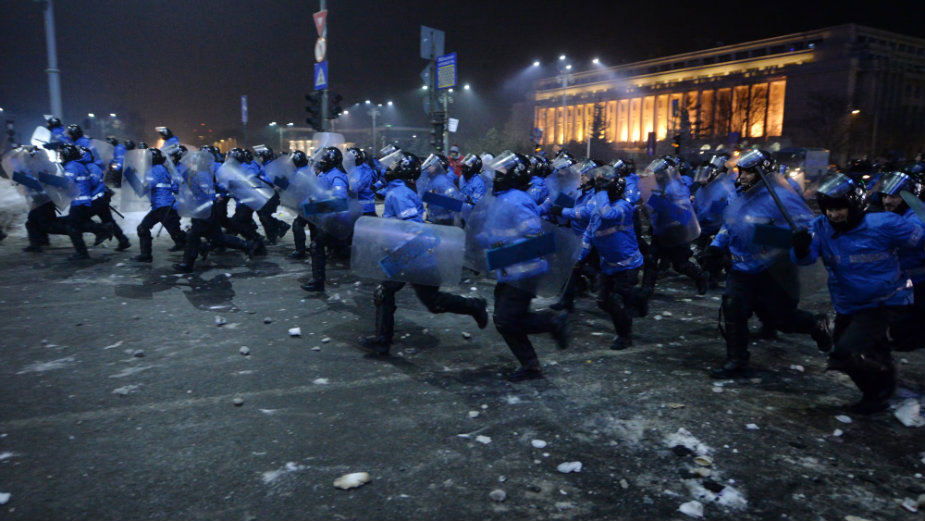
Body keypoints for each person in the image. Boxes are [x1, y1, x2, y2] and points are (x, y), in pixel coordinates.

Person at [792, 172, 922, 413]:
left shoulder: (885, 224)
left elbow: (919, 240)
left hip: (884, 301)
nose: (833, 214)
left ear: (855, 204)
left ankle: (882, 384)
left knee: (844, 353)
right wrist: (800, 249)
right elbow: (807, 256)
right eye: (828, 208)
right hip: (848, 303)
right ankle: (878, 388)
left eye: (840, 208)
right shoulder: (821, 227)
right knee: (857, 349)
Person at [700, 149, 832, 378]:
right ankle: (737, 360)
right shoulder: (737, 196)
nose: (742, 176)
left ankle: (815, 325)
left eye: (749, 172)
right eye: (742, 171)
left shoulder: (783, 198)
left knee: (784, 319)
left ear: (764, 173)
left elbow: (807, 228)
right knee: (733, 306)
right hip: (742, 268)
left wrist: (799, 243)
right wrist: (716, 246)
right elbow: (731, 225)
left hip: (774, 268)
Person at [359, 152, 488, 355]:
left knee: (411, 297)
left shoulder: (426, 186)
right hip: (412, 250)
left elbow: (418, 226)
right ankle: (382, 340)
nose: (389, 168)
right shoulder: (403, 189)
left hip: (413, 252)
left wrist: (445, 225)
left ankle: (474, 306)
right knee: (424, 300)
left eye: (394, 165)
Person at [477, 152, 570, 381]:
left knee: (506, 320)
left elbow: (533, 236)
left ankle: (552, 322)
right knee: (504, 320)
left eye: (503, 171)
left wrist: (499, 246)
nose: (498, 174)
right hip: (509, 268)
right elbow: (499, 231)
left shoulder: (518, 199)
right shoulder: (502, 197)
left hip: (524, 270)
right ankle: (531, 364)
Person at [580, 165, 645, 350]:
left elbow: (607, 215)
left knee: (618, 301)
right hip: (608, 265)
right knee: (603, 301)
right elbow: (590, 232)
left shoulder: (624, 206)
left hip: (628, 265)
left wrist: (600, 192)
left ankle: (625, 336)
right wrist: (580, 258)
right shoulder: (598, 205)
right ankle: (636, 300)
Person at [870, 170, 924, 351]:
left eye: (894, 196)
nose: (888, 201)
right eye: (885, 196)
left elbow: (911, 237)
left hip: (918, 285)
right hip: (904, 284)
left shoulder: (915, 217)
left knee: (907, 335)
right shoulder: (898, 215)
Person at [301, 146, 349, 292]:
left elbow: (340, 201)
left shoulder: (336, 176)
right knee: (336, 248)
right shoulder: (324, 173)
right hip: (325, 218)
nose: (321, 161)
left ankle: (318, 282)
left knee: (317, 246)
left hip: (335, 219)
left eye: (324, 159)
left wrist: (315, 208)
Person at [59, 144, 113, 260]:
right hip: (83, 201)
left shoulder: (71, 166)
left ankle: (83, 251)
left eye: (61, 156)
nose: (60, 158)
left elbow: (67, 183)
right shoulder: (78, 165)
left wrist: (54, 182)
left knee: (72, 226)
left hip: (79, 201)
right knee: (77, 224)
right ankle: (101, 229)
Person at [133, 147, 186, 263]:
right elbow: (175, 188)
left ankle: (201, 246)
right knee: (144, 228)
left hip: (163, 208)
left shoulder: (154, 170)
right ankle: (145, 255)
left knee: (176, 234)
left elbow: (145, 187)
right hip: (163, 207)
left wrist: (133, 178)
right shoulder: (163, 169)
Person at [82, 146, 131, 251]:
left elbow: (93, 182)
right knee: (108, 220)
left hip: (97, 199)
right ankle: (123, 240)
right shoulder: (90, 166)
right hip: (99, 198)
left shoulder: (92, 167)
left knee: (81, 217)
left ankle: (100, 230)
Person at [253, 145, 290, 244]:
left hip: (272, 195)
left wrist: (276, 187)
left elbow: (284, 181)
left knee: (264, 215)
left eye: (260, 156)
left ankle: (272, 237)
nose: (258, 158)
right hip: (265, 194)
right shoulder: (263, 165)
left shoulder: (274, 166)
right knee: (262, 215)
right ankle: (281, 226)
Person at [288, 150, 313, 259]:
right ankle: (314, 247)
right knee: (313, 227)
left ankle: (300, 250)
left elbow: (294, 188)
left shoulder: (300, 174)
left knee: (297, 225)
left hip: (307, 204)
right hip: (311, 204)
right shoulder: (306, 170)